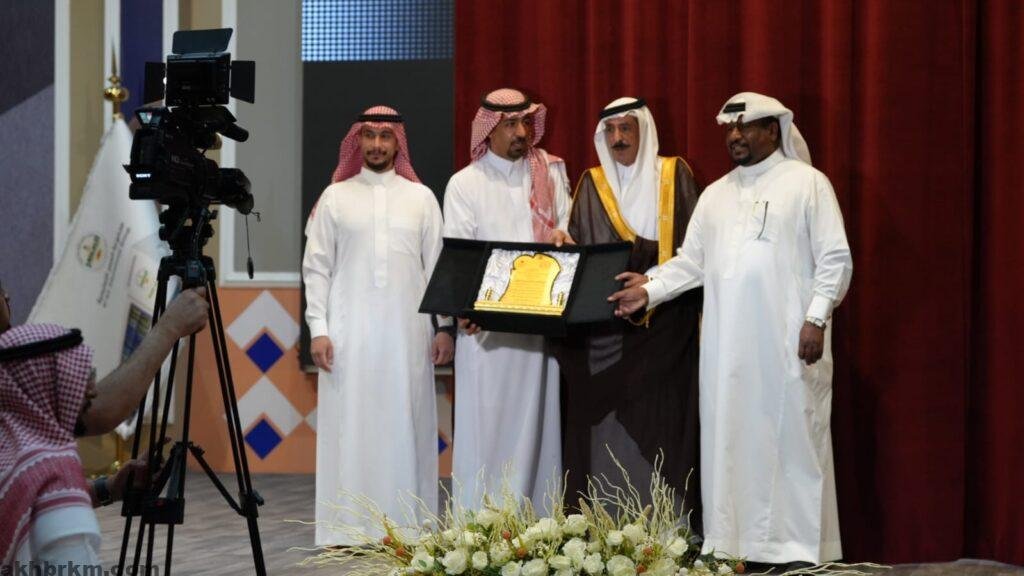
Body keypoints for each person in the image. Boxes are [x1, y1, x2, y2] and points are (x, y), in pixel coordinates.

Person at [610, 92, 853, 568]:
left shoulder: (808, 183)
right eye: (730, 129)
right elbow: (692, 262)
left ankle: (799, 553)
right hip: (727, 352)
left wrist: (816, 316)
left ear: (773, 130)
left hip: (788, 344)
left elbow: (835, 258)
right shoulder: (716, 195)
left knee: (793, 441)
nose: (735, 136)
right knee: (731, 441)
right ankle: (735, 548)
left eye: (746, 127)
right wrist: (650, 289)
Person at [303, 105, 453, 546]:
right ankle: (347, 530)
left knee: (407, 425)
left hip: (408, 335)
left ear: (397, 143)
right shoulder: (335, 198)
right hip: (347, 336)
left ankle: (410, 528)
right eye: (368, 135)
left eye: (385, 136)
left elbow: (438, 269)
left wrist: (445, 326)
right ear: (357, 141)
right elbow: (316, 268)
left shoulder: (421, 199)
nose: (376, 144)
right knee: (350, 429)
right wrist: (318, 328)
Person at [554, 97, 701, 521]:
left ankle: (668, 531)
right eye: (611, 130)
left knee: (663, 426)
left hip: (666, 330)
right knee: (605, 431)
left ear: (643, 131)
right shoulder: (591, 182)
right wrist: (564, 248)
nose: (618, 138)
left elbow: (697, 252)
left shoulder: (674, 175)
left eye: (626, 129)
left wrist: (652, 284)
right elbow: (583, 253)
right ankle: (605, 529)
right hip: (606, 336)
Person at [0, 280, 209, 570]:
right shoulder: (53, 470)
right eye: (77, 378)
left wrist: (108, 488)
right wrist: (169, 328)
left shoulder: (19, 462)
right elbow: (101, 413)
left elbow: (33, 500)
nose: (90, 391)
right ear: (44, 389)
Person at [443, 88, 570, 509]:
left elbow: (566, 231)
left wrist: (563, 237)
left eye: (525, 123)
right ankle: (481, 527)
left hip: (540, 325)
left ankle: (539, 524)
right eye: (510, 124)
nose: (521, 133)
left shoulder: (550, 173)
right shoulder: (465, 184)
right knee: (488, 428)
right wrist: (466, 309)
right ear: (489, 130)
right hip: (486, 332)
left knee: (539, 426)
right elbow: (461, 255)